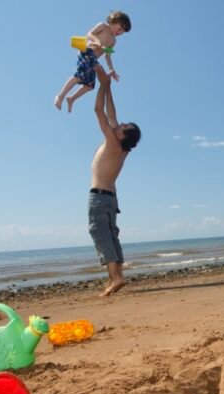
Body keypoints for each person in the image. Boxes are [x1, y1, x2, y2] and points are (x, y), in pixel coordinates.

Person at [87, 69, 141, 296]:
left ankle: (115, 278)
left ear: (122, 135)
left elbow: (98, 110)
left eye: (122, 127)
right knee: (111, 236)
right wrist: (107, 85)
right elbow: (111, 113)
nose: (119, 124)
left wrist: (102, 85)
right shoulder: (121, 148)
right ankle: (118, 276)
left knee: (101, 235)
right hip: (110, 199)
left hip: (100, 197)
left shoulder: (112, 141)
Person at [54, 11, 132, 113]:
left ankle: (71, 98)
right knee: (79, 76)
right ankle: (60, 96)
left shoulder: (113, 41)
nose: (120, 33)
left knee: (90, 85)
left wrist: (111, 69)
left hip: (93, 59)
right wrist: (96, 41)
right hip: (86, 51)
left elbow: (107, 56)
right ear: (114, 21)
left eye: (122, 32)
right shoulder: (103, 26)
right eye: (120, 29)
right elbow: (89, 34)